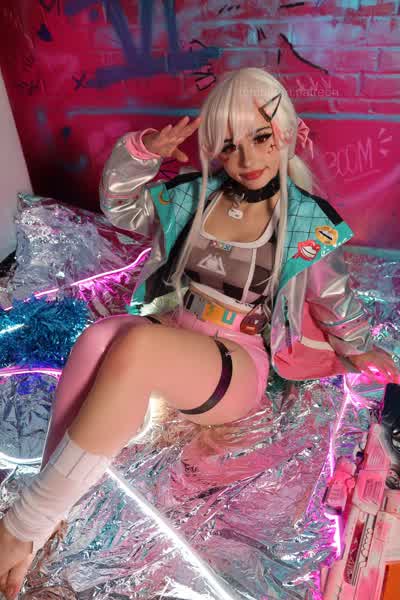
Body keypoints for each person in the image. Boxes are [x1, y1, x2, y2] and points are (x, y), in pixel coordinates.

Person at [0, 68, 398, 599]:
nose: (247, 158)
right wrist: (141, 154)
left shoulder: (306, 221)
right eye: (230, 145)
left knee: (137, 345)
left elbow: (334, 300)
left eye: (261, 137)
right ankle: (48, 506)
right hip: (175, 328)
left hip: (235, 360)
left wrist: (361, 348)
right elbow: (123, 208)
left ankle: (23, 524)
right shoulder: (196, 196)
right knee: (98, 338)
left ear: (285, 131)